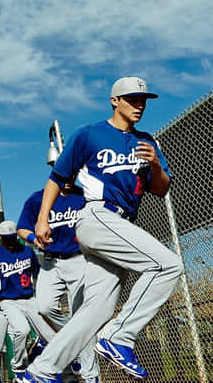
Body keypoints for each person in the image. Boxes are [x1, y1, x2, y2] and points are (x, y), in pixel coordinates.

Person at [21, 77, 183, 382]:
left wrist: (157, 167)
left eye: (143, 100)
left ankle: (42, 370)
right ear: (114, 101)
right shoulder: (90, 134)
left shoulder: (147, 141)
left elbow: (161, 190)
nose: (139, 105)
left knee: (96, 310)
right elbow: (57, 178)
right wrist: (42, 219)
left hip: (119, 225)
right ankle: (120, 338)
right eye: (132, 99)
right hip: (97, 216)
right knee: (168, 265)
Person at [17, 180, 99, 383]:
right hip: (50, 262)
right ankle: (74, 341)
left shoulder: (84, 195)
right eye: (65, 172)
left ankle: (91, 377)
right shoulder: (39, 198)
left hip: (79, 259)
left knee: (83, 317)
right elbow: (22, 228)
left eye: (73, 173)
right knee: (44, 307)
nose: (69, 178)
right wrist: (33, 238)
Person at [0, 221, 56, 380]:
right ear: (0, 237)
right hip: (3, 304)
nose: (11, 241)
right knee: (2, 343)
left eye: (13, 238)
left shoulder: (27, 251)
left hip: (28, 298)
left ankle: (62, 370)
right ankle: (5, 371)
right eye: (7, 238)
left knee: (49, 335)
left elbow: (38, 272)